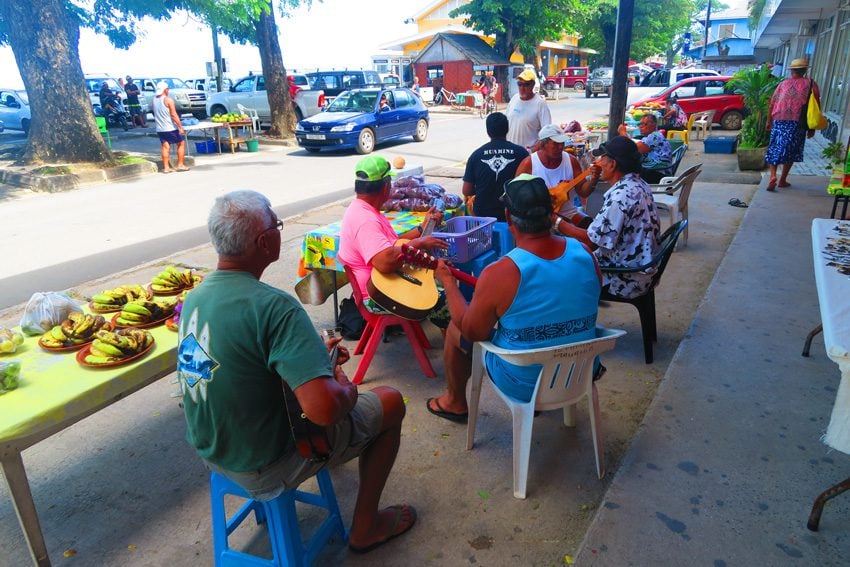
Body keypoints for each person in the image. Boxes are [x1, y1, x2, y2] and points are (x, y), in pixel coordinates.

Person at [177, 190, 416, 553]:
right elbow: (324, 409)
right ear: (264, 241)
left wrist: (315, 361)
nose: (278, 230)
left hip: (212, 449)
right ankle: (366, 526)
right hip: (264, 462)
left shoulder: (195, 297)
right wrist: (343, 385)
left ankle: (331, 452)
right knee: (390, 401)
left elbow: (243, 364)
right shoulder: (275, 307)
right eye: (276, 224)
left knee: (317, 389)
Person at [425, 174, 602, 421]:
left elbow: (472, 332)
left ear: (508, 218)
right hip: (581, 371)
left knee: (457, 328)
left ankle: (455, 402)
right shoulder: (584, 253)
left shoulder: (501, 272)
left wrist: (447, 282)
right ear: (553, 213)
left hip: (524, 382)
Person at [337, 155, 448, 314]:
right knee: (447, 299)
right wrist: (419, 243)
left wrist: (422, 228)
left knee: (439, 278)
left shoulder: (363, 209)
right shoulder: (365, 220)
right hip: (378, 296)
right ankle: (456, 336)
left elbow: (395, 244)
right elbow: (385, 262)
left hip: (388, 283)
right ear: (385, 187)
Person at [554, 136, 660, 299]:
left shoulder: (620, 197)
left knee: (558, 264)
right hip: (642, 267)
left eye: (602, 157)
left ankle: (572, 318)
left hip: (626, 277)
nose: (599, 162)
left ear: (613, 163)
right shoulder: (639, 184)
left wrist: (556, 221)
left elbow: (591, 241)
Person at [515, 123, 599, 228]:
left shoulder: (571, 161)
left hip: (568, 215)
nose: (560, 147)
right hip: (539, 217)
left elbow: (583, 192)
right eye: (555, 144)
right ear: (542, 144)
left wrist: (593, 179)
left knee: (591, 229)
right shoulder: (529, 164)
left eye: (562, 143)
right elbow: (516, 196)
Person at [765, 57, 820, 191]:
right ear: (805, 71)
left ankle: (773, 175)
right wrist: (812, 127)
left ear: (792, 71)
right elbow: (816, 105)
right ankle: (782, 180)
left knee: (775, 147)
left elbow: (772, 103)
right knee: (792, 149)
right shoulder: (811, 84)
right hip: (798, 122)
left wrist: (769, 121)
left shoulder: (783, 84)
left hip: (779, 119)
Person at [461, 112, 528, 221]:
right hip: (514, 215)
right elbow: (528, 184)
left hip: (484, 215)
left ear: (488, 131)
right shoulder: (521, 153)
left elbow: (466, 190)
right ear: (507, 129)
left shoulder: (476, 155)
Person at [617, 113, 672, 184]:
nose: (641, 127)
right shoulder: (655, 135)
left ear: (653, 125)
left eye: (644, 124)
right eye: (640, 124)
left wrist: (622, 132)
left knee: (626, 166)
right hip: (656, 170)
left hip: (657, 173)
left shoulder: (654, 136)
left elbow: (632, 147)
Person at [506, 69, 552, 150]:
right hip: (511, 152)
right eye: (519, 84)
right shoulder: (514, 99)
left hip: (528, 154)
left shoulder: (540, 104)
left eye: (526, 85)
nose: (522, 88)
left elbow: (547, 133)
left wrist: (533, 150)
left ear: (533, 85)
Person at [152, 81, 189, 173]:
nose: (168, 91)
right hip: (170, 127)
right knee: (181, 143)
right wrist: (180, 127)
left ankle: (166, 167)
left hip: (160, 128)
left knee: (165, 147)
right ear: (165, 90)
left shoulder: (154, 100)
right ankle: (180, 165)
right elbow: (173, 114)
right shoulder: (168, 100)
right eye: (167, 89)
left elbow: (154, 112)